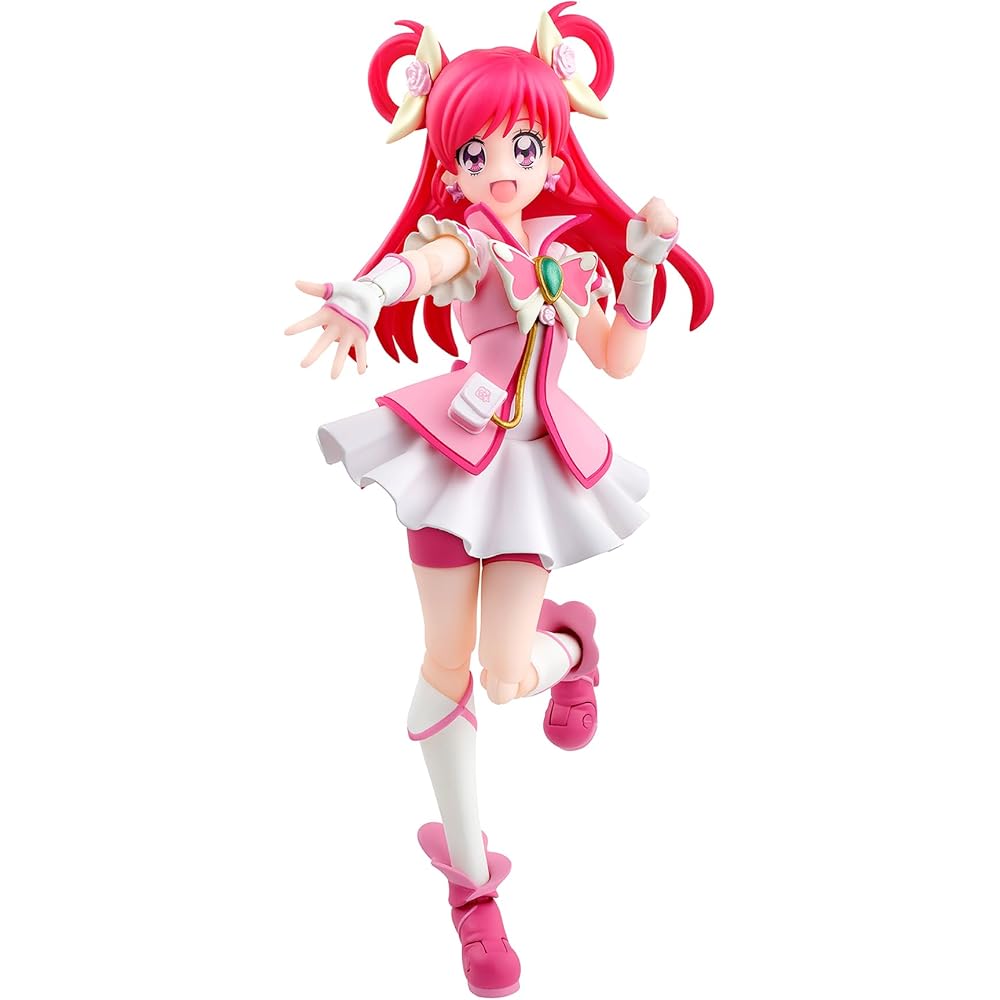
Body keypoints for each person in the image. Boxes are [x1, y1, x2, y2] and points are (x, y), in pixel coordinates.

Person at [284, 6, 713, 995]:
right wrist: (368, 289)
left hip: (531, 476)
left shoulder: (569, 256)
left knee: (508, 677)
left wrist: (640, 269)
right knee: (443, 664)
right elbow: (428, 265)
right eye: (476, 151)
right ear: (451, 165)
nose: (502, 168)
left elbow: (617, 358)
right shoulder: (468, 240)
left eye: (522, 146)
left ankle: (572, 647)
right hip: (452, 457)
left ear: (554, 154)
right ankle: (473, 891)